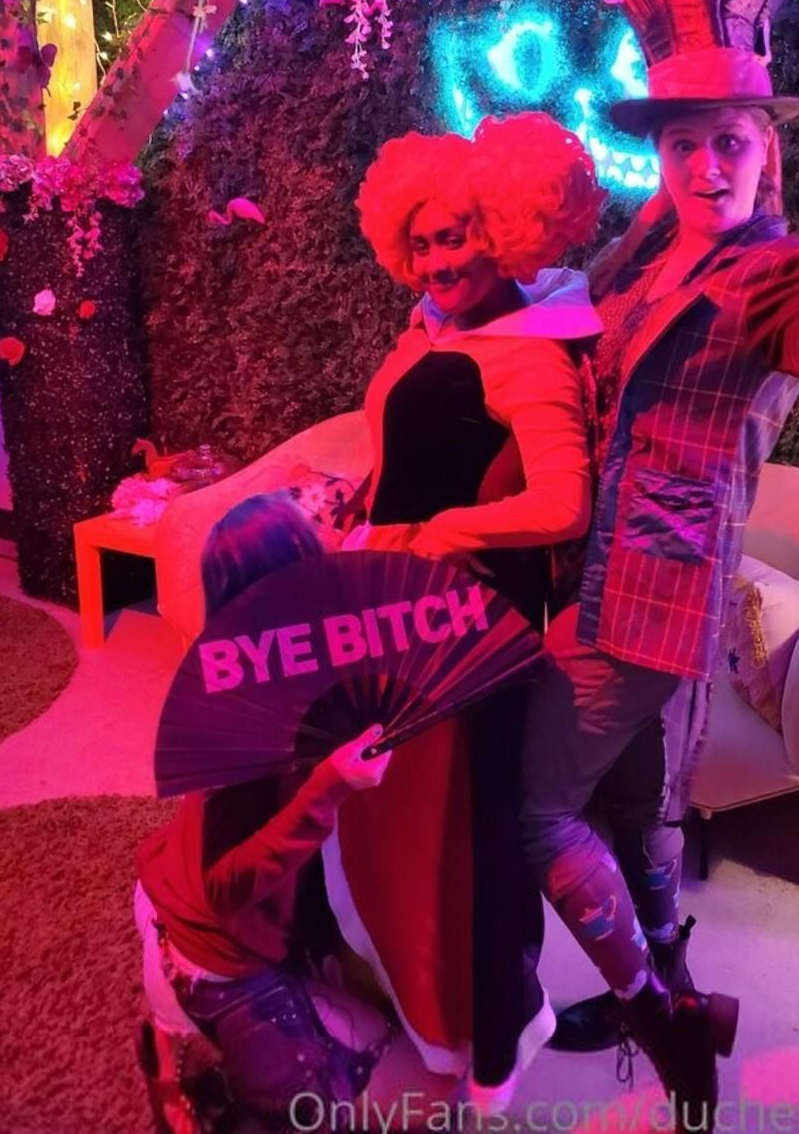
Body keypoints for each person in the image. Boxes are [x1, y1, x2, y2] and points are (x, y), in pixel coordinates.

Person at [520, 0, 799, 1130]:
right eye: (683, 145)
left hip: (648, 590)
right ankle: (672, 988)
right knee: (638, 809)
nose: (706, 166)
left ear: (767, 150)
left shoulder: (771, 272)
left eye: (729, 142)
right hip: (607, 575)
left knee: (532, 807)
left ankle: (651, 1005)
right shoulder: (657, 251)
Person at [323, 112, 605, 1110]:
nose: (440, 260)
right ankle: (408, 1002)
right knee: (382, 817)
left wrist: (447, 529)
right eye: (424, 242)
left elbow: (564, 503)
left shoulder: (532, 351)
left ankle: (493, 1042)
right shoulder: (433, 329)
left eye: (459, 237)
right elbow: (411, 447)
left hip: (474, 624)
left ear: (506, 233)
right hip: (397, 604)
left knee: (471, 839)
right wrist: (369, 496)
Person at [135, 493, 455, 1133]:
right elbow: (226, 886)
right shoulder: (243, 719)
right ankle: (190, 1056)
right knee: (436, 1102)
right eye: (316, 542)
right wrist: (328, 788)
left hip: (172, 897)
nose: (330, 549)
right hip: (215, 957)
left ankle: (194, 1038)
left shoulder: (259, 656)